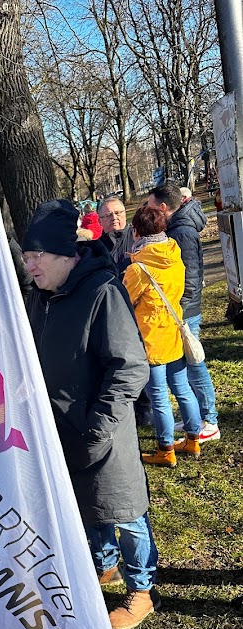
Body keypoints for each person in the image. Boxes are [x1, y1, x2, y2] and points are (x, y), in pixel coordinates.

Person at [23, 199, 158, 629]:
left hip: (104, 430)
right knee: (86, 507)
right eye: (26, 257)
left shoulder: (101, 291)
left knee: (125, 511)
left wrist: (98, 428)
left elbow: (130, 367)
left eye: (36, 255)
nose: (30, 265)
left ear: (67, 254)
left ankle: (142, 590)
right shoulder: (39, 299)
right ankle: (105, 566)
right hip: (60, 430)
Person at [123, 205, 202, 467]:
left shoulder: (139, 269)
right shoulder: (173, 253)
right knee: (182, 388)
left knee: (158, 396)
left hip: (151, 340)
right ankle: (193, 440)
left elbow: (125, 300)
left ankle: (165, 449)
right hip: (174, 332)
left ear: (136, 232)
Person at [146, 183, 219, 442]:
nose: (148, 210)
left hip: (184, 312)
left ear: (163, 207)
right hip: (179, 312)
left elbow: (190, 276)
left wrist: (180, 309)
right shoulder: (176, 227)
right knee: (186, 366)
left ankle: (210, 421)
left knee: (194, 364)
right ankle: (197, 418)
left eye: (151, 206)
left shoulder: (182, 232)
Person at [98, 195, 134, 273]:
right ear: (99, 221)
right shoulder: (96, 248)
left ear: (125, 214)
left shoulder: (138, 236)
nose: (114, 217)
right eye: (108, 215)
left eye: (117, 213)